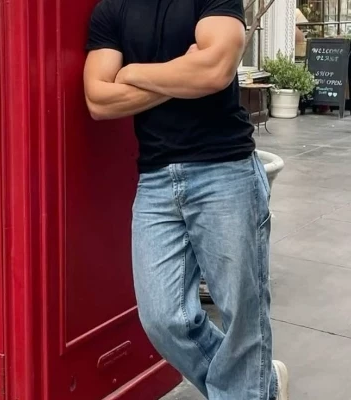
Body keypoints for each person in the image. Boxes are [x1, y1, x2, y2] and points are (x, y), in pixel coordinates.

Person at [83, 0, 289, 399]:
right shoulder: (111, 9)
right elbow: (98, 100)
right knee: (163, 319)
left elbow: (215, 71)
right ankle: (262, 387)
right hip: (155, 180)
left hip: (224, 169)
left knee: (242, 317)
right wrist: (182, 73)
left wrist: (132, 72)